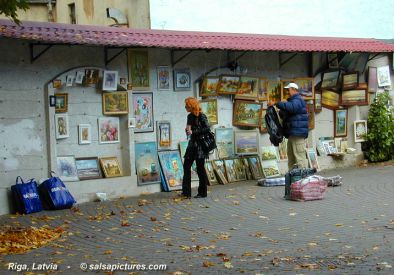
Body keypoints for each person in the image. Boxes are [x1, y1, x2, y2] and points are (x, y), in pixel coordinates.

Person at [268, 83, 308, 170]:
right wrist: (280, 111)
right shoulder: (292, 101)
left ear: (293, 89)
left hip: (297, 133)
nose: (287, 92)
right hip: (293, 134)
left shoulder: (298, 99)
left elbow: (292, 107)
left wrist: (276, 103)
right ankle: (292, 178)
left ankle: (303, 179)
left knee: (299, 157)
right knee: (291, 157)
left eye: (288, 90)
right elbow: (287, 113)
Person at [182, 97, 210, 198]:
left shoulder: (202, 116)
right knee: (186, 167)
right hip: (192, 144)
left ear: (192, 105)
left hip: (200, 146)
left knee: (200, 169)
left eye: (187, 105)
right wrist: (187, 131)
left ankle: (202, 192)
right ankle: (186, 192)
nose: (185, 107)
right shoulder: (189, 116)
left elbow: (207, 128)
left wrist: (194, 131)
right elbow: (189, 130)